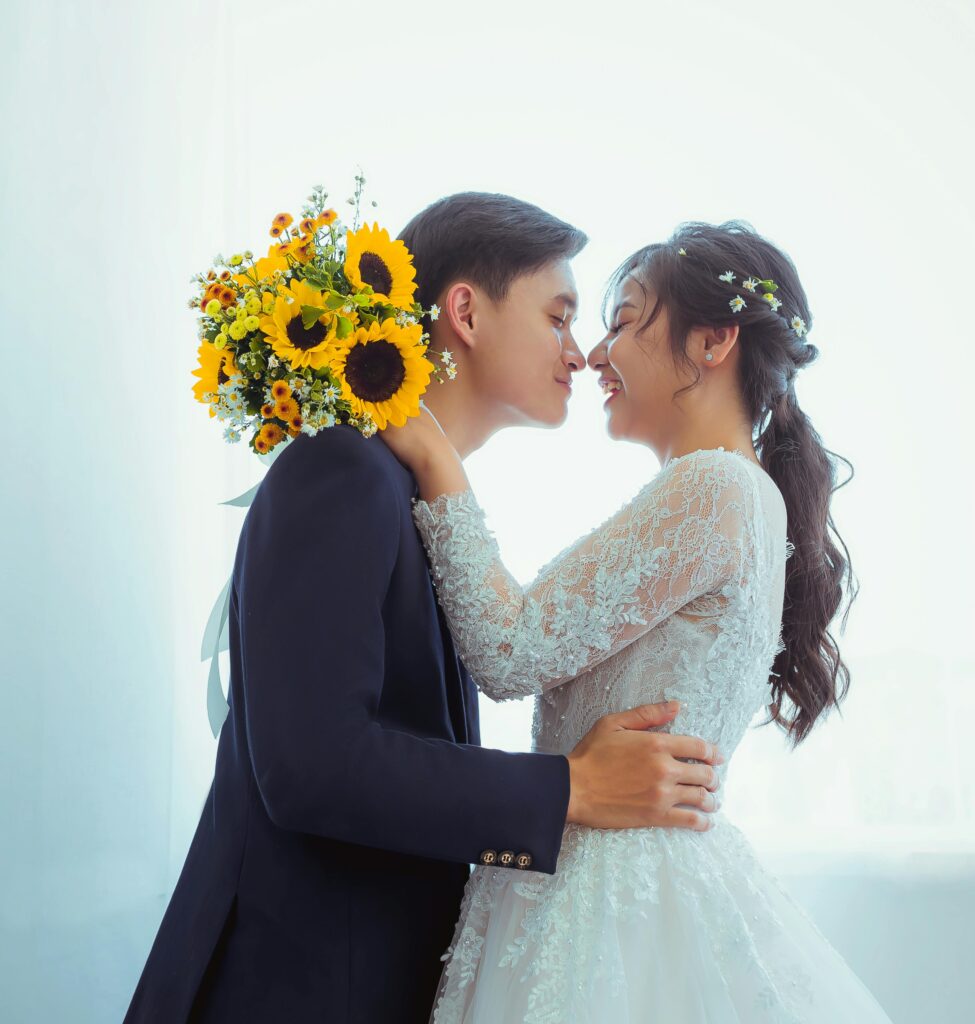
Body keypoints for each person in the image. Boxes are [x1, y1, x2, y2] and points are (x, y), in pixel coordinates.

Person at [123, 194, 723, 1024]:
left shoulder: (410, 498)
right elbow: (312, 766)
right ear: (466, 312)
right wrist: (568, 790)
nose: (580, 353)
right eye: (558, 316)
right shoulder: (339, 469)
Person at [380, 220, 894, 1021]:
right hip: (628, 880)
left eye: (620, 320)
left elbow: (510, 651)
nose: (591, 353)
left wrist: (437, 459)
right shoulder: (741, 494)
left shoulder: (715, 489)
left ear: (713, 341)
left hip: (605, 899)